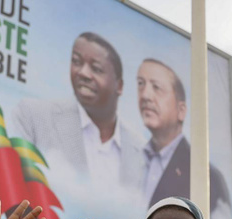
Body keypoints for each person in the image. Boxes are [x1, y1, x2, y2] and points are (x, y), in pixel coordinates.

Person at [11, 32, 146, 190]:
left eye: (96, 69)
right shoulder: (34, 116)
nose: (83, 73)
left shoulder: (142, 153)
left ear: (119, 86)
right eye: (76, 62)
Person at [136, 59, 232, 219]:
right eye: (140, 84)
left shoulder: (209, 178)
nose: (145, 95)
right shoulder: (130, 158)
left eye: (156, 87)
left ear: (181, 110)